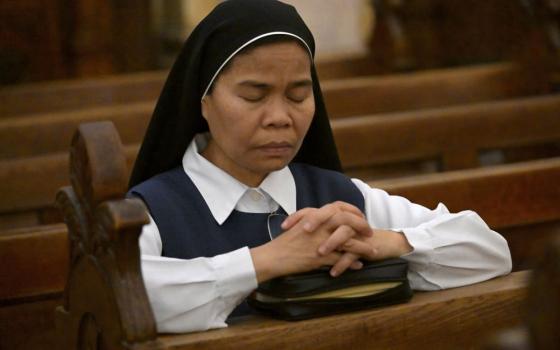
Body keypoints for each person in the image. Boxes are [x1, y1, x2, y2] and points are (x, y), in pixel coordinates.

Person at [128, 0, 512, 334]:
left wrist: (387, 243)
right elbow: (129, 301)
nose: (280, 117)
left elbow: (490, 250)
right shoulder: (152, 211)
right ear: (203, 99)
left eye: (298, 94)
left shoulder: (343, 198)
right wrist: (266, 261)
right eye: (253, 95)